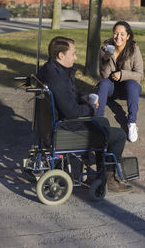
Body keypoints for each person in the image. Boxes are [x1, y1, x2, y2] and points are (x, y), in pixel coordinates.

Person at [38, 36, 132, 192]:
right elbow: (72, 111)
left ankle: (102, 173)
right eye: (73, 53)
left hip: (56, 123)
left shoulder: (51, 69)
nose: (76, 57)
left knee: (103, 122)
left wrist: (84, 97)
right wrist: (91, 109)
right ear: (61, 55)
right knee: (119, 135)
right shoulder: (58, 78)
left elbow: (66, 97)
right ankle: (109, 178)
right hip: (65, 128)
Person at [96, 21, 144, 142]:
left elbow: (139, 75)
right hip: (112, 89)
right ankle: (98, 121)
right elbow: (104, 75)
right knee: (103, 83)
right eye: (116, 33)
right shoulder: (105, 48)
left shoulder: (134, 49)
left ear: (128, 36)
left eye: (122, 34)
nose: (118, 37)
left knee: (133, 85)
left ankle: (132, 123)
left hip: (128, 90)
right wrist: (106, 59)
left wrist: (122, 74)